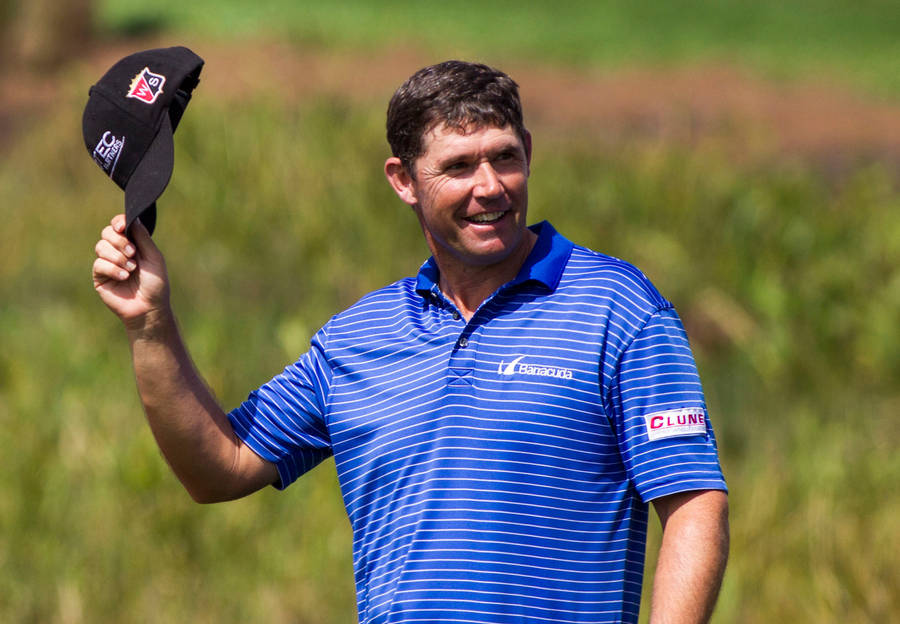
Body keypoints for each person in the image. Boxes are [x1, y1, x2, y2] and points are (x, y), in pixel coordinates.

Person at [92, 60, 729, 624]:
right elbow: (218, 467)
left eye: (504, 156)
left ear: (529, 151)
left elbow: (694, 505)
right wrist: (150, 325)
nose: (490, 186)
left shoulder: (616, 306)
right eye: (457, 166)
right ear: (403, 180)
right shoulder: (356, 337)